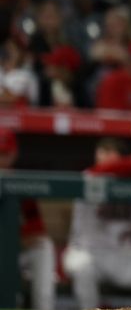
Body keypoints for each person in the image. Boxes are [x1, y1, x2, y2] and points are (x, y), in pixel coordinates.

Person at [62, 138, 131, 309]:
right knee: (83, 269)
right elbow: (106, 169)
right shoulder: (90, 174)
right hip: (86, 252)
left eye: (109, 152)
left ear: (122, 157)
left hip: (122, 256)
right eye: (101, 152)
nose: (103, 156)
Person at [0, 128, 57, 310]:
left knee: (44, 247)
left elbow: (36, 227)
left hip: (13, 250)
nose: (1, 160)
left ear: (14, 154)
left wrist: (22, 237)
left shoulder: (21, 184)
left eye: (4, 154)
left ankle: (44, 307)